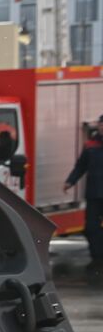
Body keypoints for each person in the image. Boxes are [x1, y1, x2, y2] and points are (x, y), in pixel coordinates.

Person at [64, 114, 103, 275]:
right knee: (91, 228)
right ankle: (97, 258)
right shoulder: (91, 145)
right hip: (94, 194)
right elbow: (81, 166)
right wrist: (70, 181)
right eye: (102, 125)